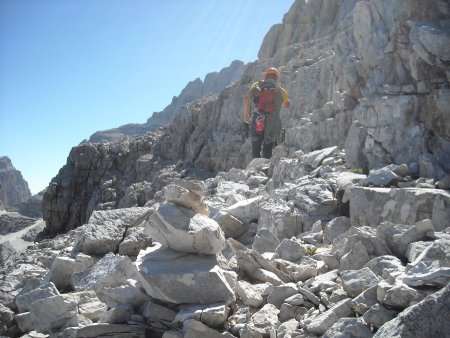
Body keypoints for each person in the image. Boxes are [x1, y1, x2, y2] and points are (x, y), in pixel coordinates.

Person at [242, 67, 291, 159]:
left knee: (255, 150)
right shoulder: (279, 89)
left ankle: (255, 171)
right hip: (272, 122)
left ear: (265, 76)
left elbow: (246, 99)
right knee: (267, 151)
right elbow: (286, 105)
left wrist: (245, 116)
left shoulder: (257, 85)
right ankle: (265, 171)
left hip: (257, 119)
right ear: (277, 77)